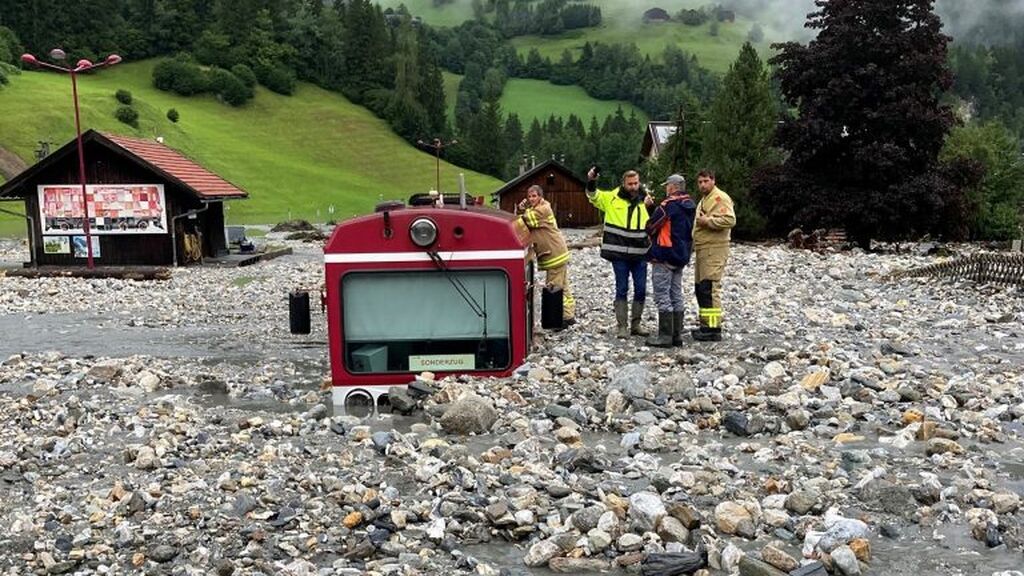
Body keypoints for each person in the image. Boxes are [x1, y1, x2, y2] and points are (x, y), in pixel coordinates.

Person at [586, 167, 654, 338]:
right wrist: (591, 180)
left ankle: (636, 324)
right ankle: (622, 326)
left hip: (640, 253)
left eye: (636, 183)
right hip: (619, 254)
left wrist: (650, 208)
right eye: (630, 184)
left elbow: (653, 223)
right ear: (623, 184)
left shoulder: (646, 200)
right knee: (621, 288)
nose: (633, 187)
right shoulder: (612, 198)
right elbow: (593, 195)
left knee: (641, 289)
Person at [644, 174, 696, 347]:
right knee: (676, 294)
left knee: (662, 295)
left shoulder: (668, 205)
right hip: (681, 255)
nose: (666, 188)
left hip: (664, 255)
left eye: (667, 185)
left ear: (672, 187)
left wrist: (650, 210)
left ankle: (665, 336)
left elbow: (651, 226)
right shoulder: (690, 205)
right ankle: (677, 335)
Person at [517, 185, 575, 327]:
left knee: (553, 287)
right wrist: (524, 209)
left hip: (554, 255)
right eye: (529, 196)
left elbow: (524, 221)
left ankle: (557, 320)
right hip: (558, 252)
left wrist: (521, 210)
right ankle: (568, 315)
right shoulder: (540, 207)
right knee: (563, 286)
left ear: (540, 196)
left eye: (534, 196)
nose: (531, 199)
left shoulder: (542, 210)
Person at [691, 169, 736, 342]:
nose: (703, 185)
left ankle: (713, 328)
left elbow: (730, 220)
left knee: (709, 288)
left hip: (715, 248)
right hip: (703, 248)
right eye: (700, 182)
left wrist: (708, 221)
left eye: (706, 181)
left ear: (713, 180)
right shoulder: (705, 199)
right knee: (701, 288)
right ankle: (706, 325)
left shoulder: (720, 198)